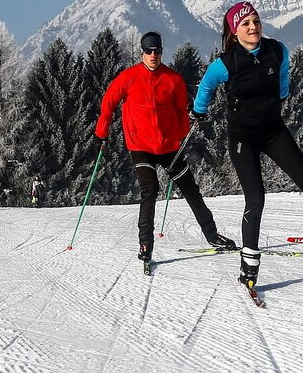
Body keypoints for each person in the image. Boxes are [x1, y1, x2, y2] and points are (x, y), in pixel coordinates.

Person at [190, 1, 303, 289]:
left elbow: (283, 78)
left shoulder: (277, 50)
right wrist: (198, 112)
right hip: (243, 139)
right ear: (234, 31)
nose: (253, 27)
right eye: (246, 24)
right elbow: (206, 88)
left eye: (256, 21)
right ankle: (249, 264)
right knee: (256, 198)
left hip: (274, 131)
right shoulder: (224, 64)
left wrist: (280, 96)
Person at [95, 30, 235, 263]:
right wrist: (102, 132)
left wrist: (181, 136)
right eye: (149, 51)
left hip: (170, 147)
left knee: (191, 190)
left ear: (161, 52)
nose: (153, 55)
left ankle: (212, 236)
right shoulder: (128, 77)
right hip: (140, 146)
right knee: (150, 190)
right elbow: (109, 101)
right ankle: (145, 244)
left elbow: (181, 112)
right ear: (142, 52)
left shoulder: (173, 79)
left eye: (157, 51)